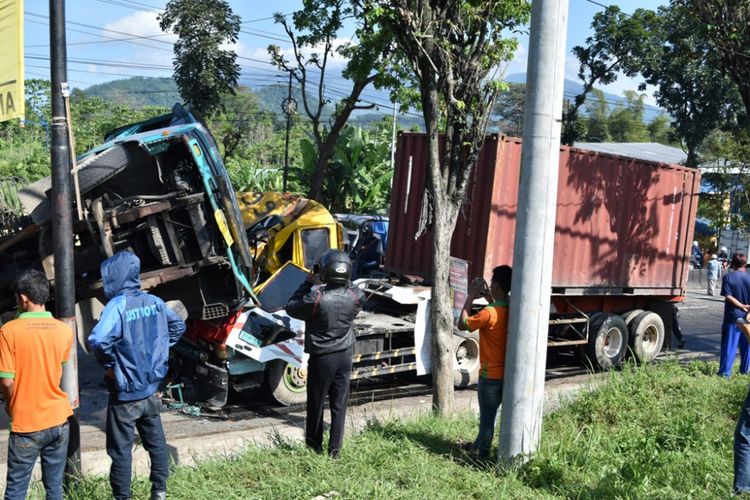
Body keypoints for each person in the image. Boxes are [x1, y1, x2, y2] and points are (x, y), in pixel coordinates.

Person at [88, 251, 186, 500]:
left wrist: (111, 363)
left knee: (121, 452)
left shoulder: (117, 306)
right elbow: (178, 325)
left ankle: (123, 497)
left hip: (125, 396)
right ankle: (160, 492)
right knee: (157, 443)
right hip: (152, 390)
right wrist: (160, 351)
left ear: (115, 277)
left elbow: (98, 340)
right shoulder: (153, 302)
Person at [0, 270, 73, 500]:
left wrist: (10, 406)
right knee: (54, 488)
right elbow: (56, 367)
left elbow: (7, 380)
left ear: (22, 298)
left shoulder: (9, 331)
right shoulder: (63, 330)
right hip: (59, 421)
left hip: (27, 424)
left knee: (16, 491)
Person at [286, 249, 364, 458]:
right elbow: (355, 288)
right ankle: (335, 452)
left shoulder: (316, 298)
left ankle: (314, 448)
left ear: (325, 272)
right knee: (339, 406)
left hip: (322, 358)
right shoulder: (355, 296)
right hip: (344, 356)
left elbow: (291, 307)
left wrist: (308, 282)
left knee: (316, 404)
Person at [457, 265, 512, 460]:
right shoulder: (511, 309)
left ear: (496, 285)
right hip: (505, 375)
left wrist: (471, 295)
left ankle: (482, 457)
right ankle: (478, 445)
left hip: (489, 377)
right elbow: (499, 311)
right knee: (491, 416)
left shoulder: (489, 313)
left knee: (487, 419)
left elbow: (462, 323)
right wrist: (492, 299)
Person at [718, 254, 750, 378]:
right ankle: (745, 371)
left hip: (733, 317)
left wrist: (741, 305)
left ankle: (725, 374)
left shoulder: (728, 277)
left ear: (733, 264)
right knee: (747, 345)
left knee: (729, 346)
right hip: (748, 317)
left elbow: (728, 296)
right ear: (745, 264)